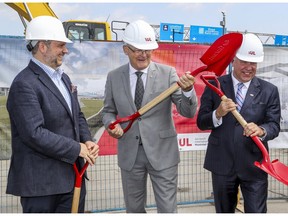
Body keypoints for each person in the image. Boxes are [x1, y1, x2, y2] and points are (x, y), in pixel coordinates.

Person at [101, 20, 198, 213]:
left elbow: (187, 111)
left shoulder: (168, 73)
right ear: (125, 49)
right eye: (137, 49)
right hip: (130, 155)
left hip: (163, 154)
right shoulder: (114, 76)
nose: (143, 54)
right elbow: (108, 110)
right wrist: (111, 124)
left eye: (148, 49)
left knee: (167, 208)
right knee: (134, 209)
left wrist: (188, 91)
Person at [6, 16, 99, 213]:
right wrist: (76, 148)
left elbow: (77, 115)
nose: (65, 50)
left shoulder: (64, 78)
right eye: (60, 45)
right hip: (42, 186)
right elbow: (34, 133)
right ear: (42, 46)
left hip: (72, 179)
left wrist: (87, 140)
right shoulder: (24, 83)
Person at [197, 33, 281, 213]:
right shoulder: (215, 85)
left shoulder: (269, 90)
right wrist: (218, 113)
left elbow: (274, 125)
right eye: (244, 61)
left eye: (253, 63)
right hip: (222, 163)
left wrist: (260, 129)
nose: (248, 68)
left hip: (254, 165)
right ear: (233, 60)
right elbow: (201, 122)